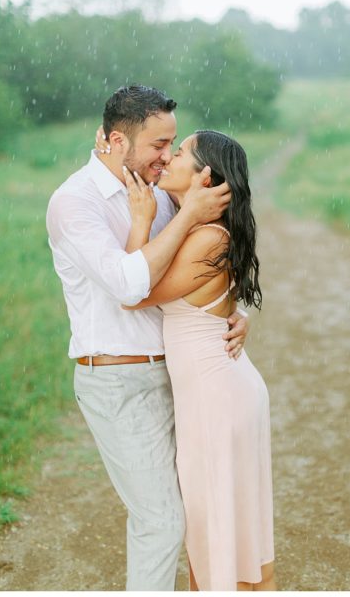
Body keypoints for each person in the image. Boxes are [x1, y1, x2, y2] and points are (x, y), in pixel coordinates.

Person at [45, 84, 249, 590]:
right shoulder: (75, 203)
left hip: (182, 376)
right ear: (117, 140)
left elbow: (203, 261)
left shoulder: (160, 193)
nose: (166, 157)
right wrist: (185, 218)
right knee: (160, 521)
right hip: (120, 381)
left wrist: (235, 310)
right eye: (159, 145)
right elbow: (129, 285)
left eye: (172, 145)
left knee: (203, 507)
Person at [119, 130, 275, 591]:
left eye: (181, 153)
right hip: (218, 393)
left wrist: (141, 220)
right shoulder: (203, 230)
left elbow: (134, 293)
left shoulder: (207, 236)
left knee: (215, 532)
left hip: (216, 400)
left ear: (205, 175)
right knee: (220, 532)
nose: (169, 158)